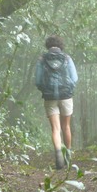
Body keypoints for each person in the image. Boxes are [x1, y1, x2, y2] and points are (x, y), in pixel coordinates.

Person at [35, 35, 78, 169]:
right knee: (66, 127)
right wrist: (68, 88)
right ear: (60, 45)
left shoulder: (42, 59)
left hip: (49, 97)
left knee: (55, 128)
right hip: (66, 96)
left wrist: (44, 89)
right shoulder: (67, 58)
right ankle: (68, 156)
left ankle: (58, 155)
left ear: (48, 46)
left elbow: (37, 80)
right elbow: (75, 78)